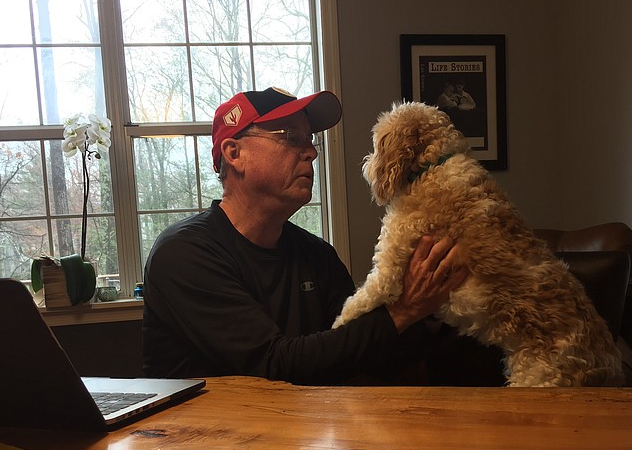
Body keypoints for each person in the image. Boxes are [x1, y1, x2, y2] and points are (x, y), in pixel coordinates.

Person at [142, 87, 470, 385]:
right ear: (233, 153)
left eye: (310, 141)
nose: (311, 153)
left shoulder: (316, 255)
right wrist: (404, 308)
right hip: (205, 443)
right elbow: (273, 366)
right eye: (291, 137)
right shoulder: (184, 254)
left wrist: (431, 307)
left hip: (301, 437)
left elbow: (364, 354)